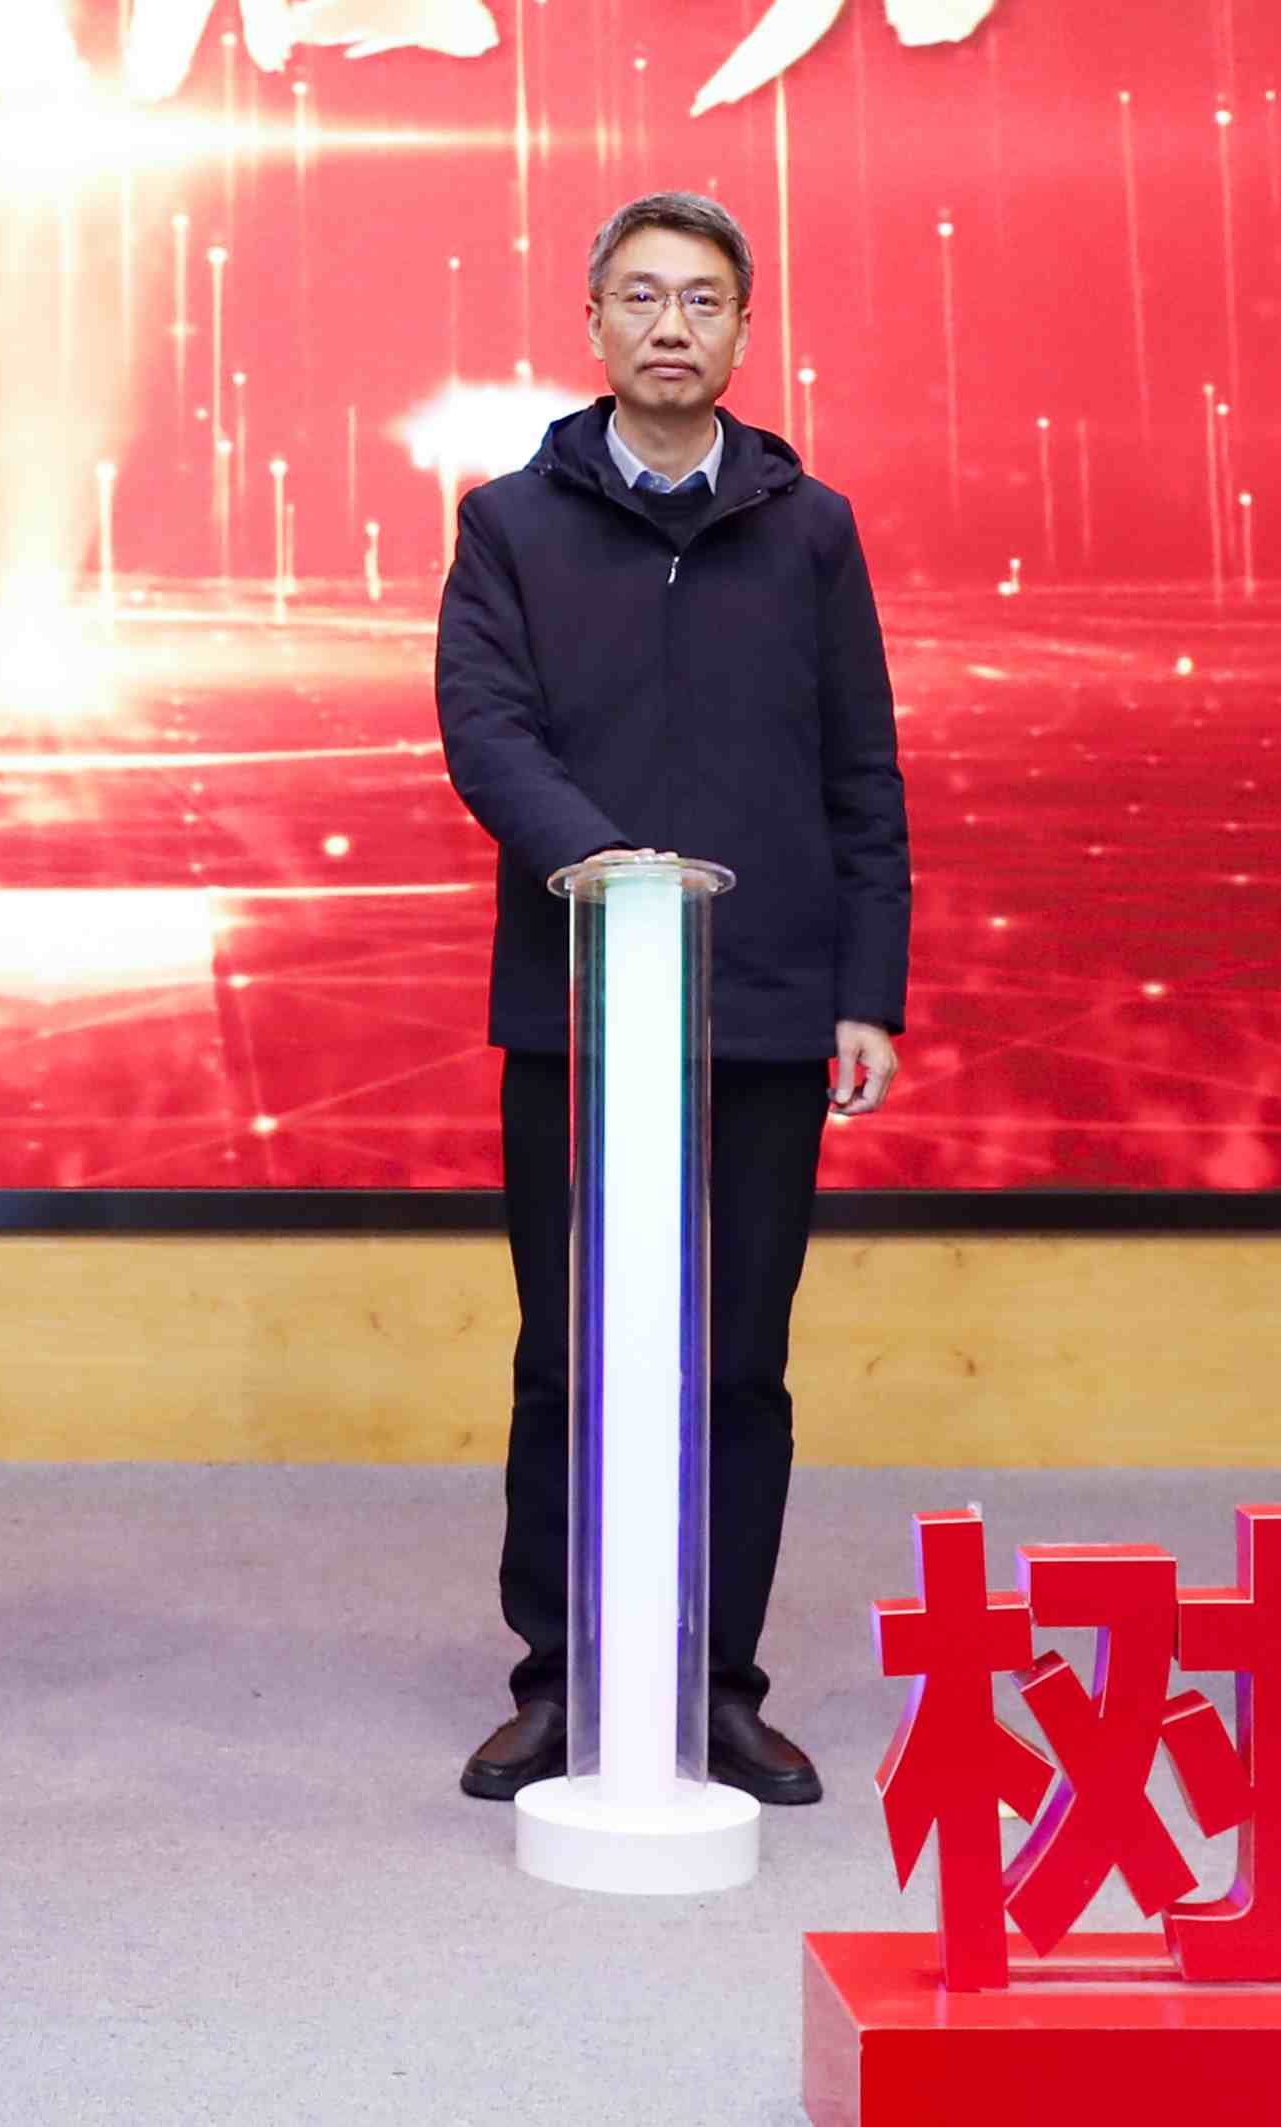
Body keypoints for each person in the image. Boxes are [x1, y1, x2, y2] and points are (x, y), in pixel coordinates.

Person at [434, 189, 912, 1811]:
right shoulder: (510, 522)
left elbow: (860, 768)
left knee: (739, 1361)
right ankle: (560, 1675)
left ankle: (716, 1679)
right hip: (576, 998)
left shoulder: (809, 526)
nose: (668, 326)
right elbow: (485, 728)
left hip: (763, 1003)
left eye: (701, 300)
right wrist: (607, 868)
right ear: (592, 324)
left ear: (741, 331)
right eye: (638, 297)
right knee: (569, 1352)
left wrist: (865, 988)